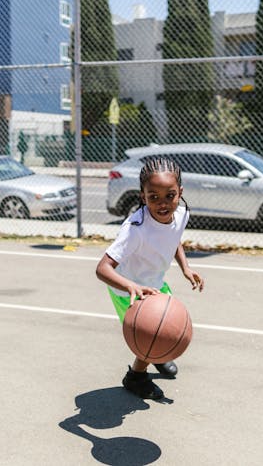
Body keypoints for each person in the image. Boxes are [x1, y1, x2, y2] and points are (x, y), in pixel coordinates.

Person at [96, 156, 204, 399]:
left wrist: (185, 267)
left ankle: (157, 354)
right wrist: (131, 286)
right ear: (142, 197)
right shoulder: (135, 229)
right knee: (150, 332)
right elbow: (102, 268)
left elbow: (173, 238)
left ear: (180, 192)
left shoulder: (182, 213)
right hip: (127, 289)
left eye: (170, 195)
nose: (163, 203)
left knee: (164, 329)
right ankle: (135, 377)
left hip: (154, 283)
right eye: (153, 196)